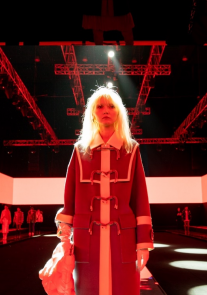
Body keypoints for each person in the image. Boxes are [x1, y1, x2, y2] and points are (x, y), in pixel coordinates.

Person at [53, 86, 153, 295]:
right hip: (86, 240)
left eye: (111, 106)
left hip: (123, 239)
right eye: (99, 106)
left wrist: (143, 244)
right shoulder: (79, 151)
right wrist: (64, 238)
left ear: (119, 112)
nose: (105, 110)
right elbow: (69, 199)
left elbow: (141, 200)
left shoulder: (131, 150)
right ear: (92, 113)